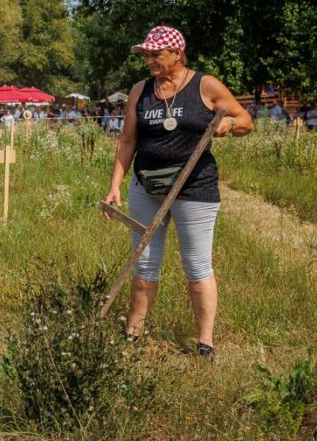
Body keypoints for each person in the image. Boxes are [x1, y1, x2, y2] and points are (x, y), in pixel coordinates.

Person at [101, 25, 252, 360]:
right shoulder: (140, 91)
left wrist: (229, 124)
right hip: (146, 187)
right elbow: (127, 140)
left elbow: (245, 120)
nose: (149, 61)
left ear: (177, 54)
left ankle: (205, 343)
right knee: (144, 262)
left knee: (196, 265)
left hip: (193, 188)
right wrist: (114, 185)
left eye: (156, 54)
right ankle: (134, 334)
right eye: (146, 55)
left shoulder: (205, 85)